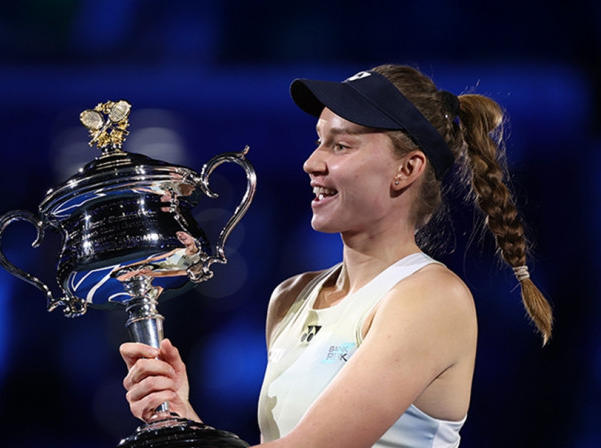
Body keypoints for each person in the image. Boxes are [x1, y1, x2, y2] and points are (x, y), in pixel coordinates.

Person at [119, 64, 553, 447]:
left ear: (406, 169)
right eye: (319, 141)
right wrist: (181, 419)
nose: (311, 163)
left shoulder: (433, 298)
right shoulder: (290, 297)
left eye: (340, 146)